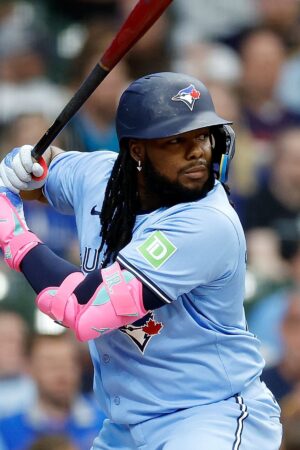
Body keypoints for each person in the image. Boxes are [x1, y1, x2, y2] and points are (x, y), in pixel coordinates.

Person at [0, 72, 282, 449]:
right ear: (136, 151)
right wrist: (25, 164)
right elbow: (43, 174)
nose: (197, 150)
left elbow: (85, 308)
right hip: (127, 425)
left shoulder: (208, 223)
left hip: (206, 417)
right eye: (175, 140)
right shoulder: (100, 176)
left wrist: (13, 238)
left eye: (202, 136)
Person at [0, 332, 106, 450]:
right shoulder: (7, 429)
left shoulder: (105, 422)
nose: (61, 374)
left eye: (68, 364)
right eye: (51, 365)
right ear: (29, 368)